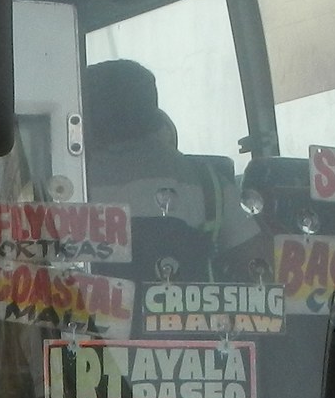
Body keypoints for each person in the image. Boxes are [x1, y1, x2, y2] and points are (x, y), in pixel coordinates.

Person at [81, 59, 257, 259]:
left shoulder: (73, 182)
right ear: (155, 115)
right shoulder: (211, 185)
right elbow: (255, 264)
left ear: (87, 115)